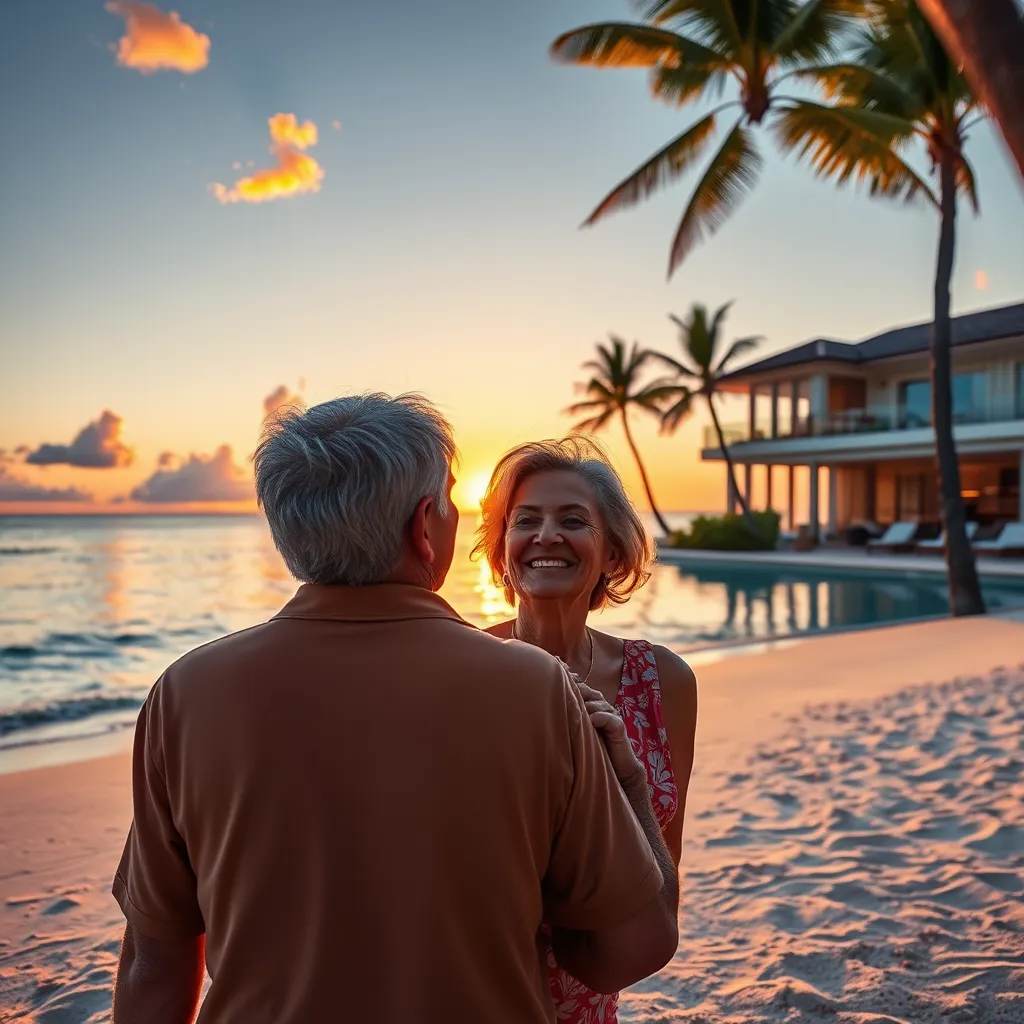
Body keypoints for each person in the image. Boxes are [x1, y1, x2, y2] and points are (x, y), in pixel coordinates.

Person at [110, 393, 679, 1024]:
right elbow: (626, 950)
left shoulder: (186, 693)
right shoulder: (536, 689)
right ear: (424, 526)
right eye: (452, 500)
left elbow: (153, 967)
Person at [474, 436, 698, 1024]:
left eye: (573, 520)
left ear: (614, 553)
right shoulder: (464, 668)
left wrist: (624, 779)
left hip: (591, 997)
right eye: (526, 521)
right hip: (473, 985)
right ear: (502, 551)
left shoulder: (662, 681)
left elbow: (661, 879)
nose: (547, 535)